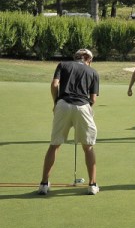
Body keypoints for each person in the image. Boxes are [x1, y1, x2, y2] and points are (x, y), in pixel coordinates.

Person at [38, 49, 100, 195]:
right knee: (88, 147)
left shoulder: (63, 65)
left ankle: (43, 184)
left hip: (63, 104)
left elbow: (54, 85)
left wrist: (55, 102)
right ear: (88, 59)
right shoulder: (93, 72)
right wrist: (88, 109)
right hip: (83, 106)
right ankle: (92, 185)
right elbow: (94, 99)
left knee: (54, 145)